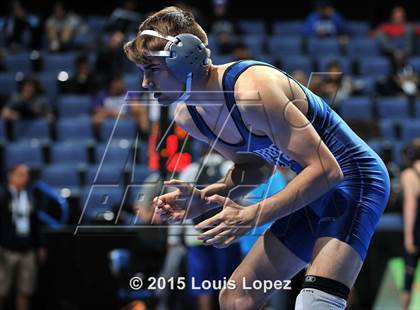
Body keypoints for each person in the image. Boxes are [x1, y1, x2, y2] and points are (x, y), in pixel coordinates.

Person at [124, 7, 390, 310]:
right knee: (237, 299)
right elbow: (255, 166)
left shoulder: (253, 89)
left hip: (354, 181)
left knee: (315, 302)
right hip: (312, 188)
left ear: (184, 59)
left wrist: (253, 215)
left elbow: (328, 170)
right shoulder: (189, 116)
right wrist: (207, 197)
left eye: (152, 69)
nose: (145, 83)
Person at [0, 164, 46, 310]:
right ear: (10, 176)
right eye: (20, 174)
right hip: (6, 249)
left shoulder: (30, 196)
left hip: (27, 250)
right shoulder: (2, 196)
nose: (24, 178)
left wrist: (40, 245)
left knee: (25, 290)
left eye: (26, 175)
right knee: (2, 290)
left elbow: (36, 223)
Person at [400, 139, 420, 310]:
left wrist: (408, 237)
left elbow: (410, 207)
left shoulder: (409, 175)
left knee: (409, 277)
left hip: (417, 231)